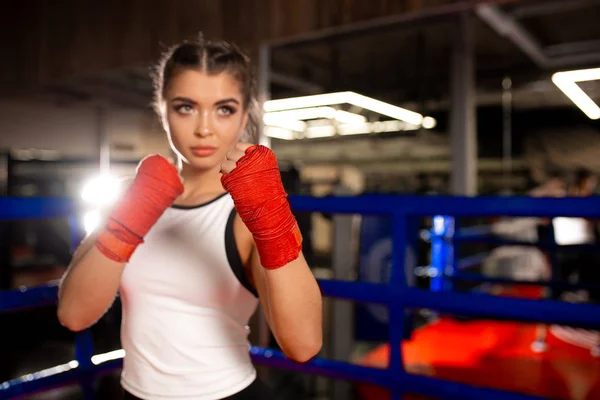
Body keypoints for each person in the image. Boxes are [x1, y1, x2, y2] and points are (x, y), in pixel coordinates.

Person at [56, 36, 323, 399]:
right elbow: (74, 314)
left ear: (245, 114)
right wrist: (132, 213)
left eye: (224, 109)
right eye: (186, 107)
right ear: (162, 109)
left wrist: (271, 216)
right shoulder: (129, 195)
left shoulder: (245, 214)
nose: (204, 128)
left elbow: (304, 344)